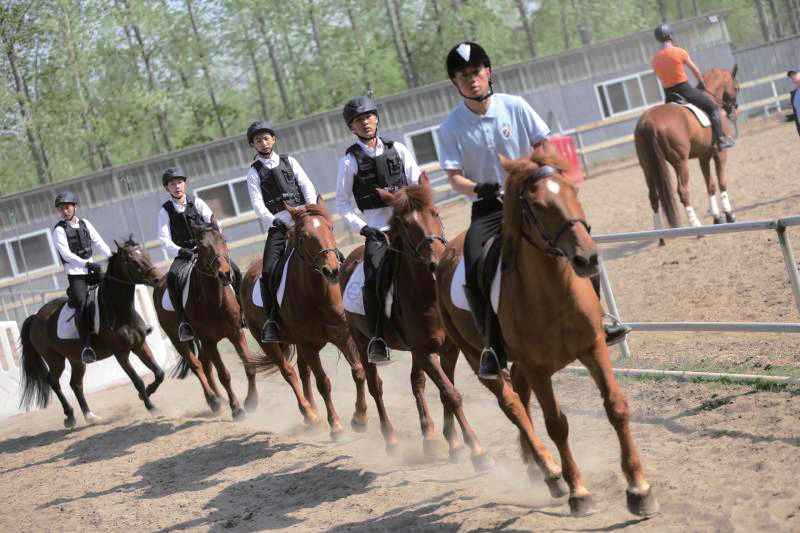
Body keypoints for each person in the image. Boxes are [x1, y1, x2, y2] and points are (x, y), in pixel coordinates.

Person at [437, 41, 631, 380]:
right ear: (455, 82)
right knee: (474, 262)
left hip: (533, 200)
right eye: (463, 74)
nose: (471, 79)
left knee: (581, 239)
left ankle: (599, 319)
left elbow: (543, 145)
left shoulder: (516, 106)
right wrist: (477, 188)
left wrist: (540, 174)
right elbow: (454, 177)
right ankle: (493, 346)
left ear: (488, 72)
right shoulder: (450, 127)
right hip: (488, 208)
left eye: (476, 71)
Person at [335, 95, 422, 363]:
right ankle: (377, 339)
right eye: (358, 120)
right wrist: (363, 229)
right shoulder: (349, 161)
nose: (365, 122)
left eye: (369, 117)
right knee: (372, 279)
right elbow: (342, 203)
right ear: (351, 127)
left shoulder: (399, 149)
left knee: (438, 259)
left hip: (407, 226)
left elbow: (417, 183)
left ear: (376, 118)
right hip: (378, 231)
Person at [245, 120, 318, 343]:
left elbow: (306, 185)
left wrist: (310, 208)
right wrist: (274, 221)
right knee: (268, 272)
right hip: (278, 227)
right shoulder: (253, 172)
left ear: (274, 139)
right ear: (253, 145)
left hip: (303, 219)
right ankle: (272, 321)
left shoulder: (289, 161)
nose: (263, 143)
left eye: (266, 138)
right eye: (258, 140)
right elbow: (258, 205)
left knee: (332, 254)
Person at [158, 167, 224, 341]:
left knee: (233, 269)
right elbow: (164, 240)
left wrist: (212, 244)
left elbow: (215, 224)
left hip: (206, 252)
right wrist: (181, 251)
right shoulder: (165, 211)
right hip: (183, 254)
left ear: (185, 184)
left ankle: (241, 310)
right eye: (172, 184)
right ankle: (184, 322)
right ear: (166, 188)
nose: (177, 186)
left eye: (179, 182)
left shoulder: (198, 203)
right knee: (172, 278)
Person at [651, 23, 734, 150]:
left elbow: (660, 76)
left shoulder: (655, 59)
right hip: (684, 90)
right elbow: (695, 70)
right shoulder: (679, 52)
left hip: (668, 95)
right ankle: (721, 140)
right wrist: (701, 82)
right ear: (670, 36)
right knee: (712, 108)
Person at [53, 192, 112, 363]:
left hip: (92, 271)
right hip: (76, 275)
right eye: (61, 209)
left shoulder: (86, 223)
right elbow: (66, 254)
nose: (64, 211)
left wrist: (111, 257)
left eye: (67, 207)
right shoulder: (59, 230)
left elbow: (99, 242)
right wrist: (86, 264)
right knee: (82, 303)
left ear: (75, 207)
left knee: (114, 290)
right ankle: (86, 345)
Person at [778, 70, 800, 137]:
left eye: (795, 74)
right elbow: (797, 114)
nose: (793, 76)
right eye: (791, 76)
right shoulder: (794, 95)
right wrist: (787, 118)